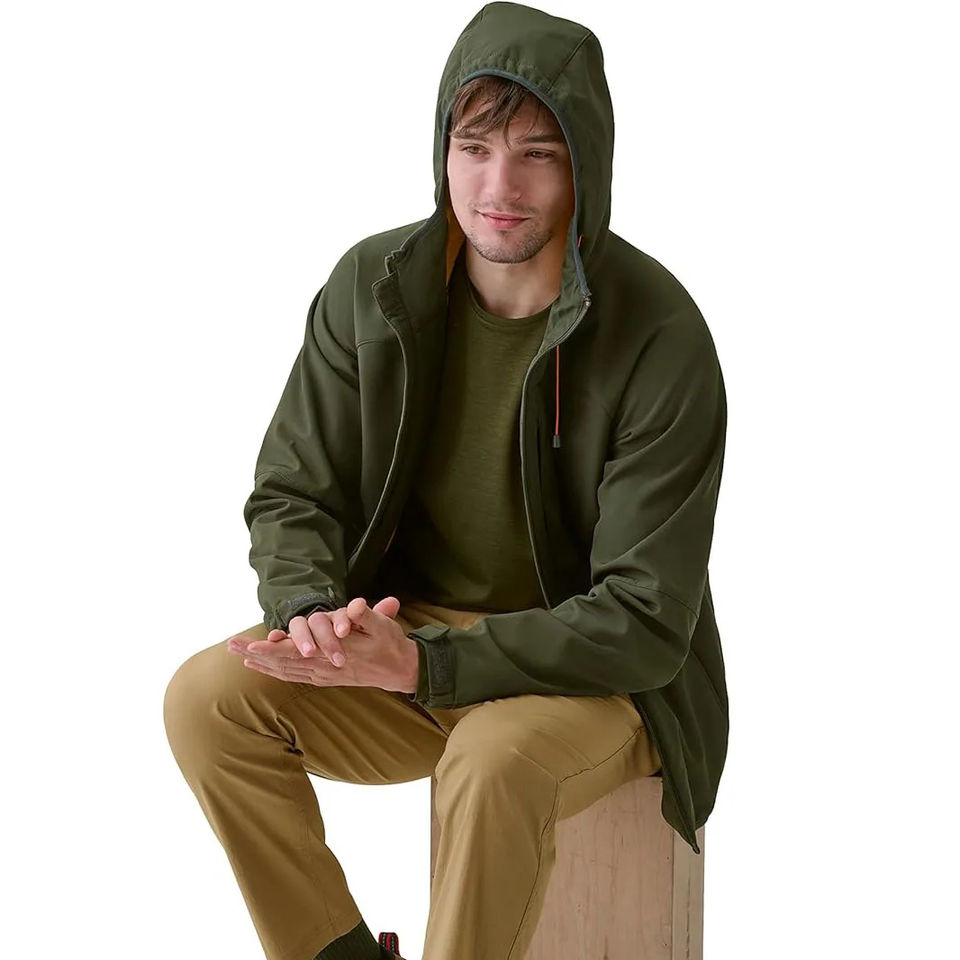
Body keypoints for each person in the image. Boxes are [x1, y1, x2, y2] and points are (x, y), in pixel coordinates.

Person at [163, 3, 729, 959]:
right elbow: (295, 491)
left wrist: (428, 666)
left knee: (493, 760)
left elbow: (642, 620)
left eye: (538, 154)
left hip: (595, 675)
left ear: (586, 165)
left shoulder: (659, 335)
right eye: (474, 148)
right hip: (410, 641)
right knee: (208, 701)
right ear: (443, 150)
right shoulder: (374, 286)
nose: (498, 187)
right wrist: (310, 610)